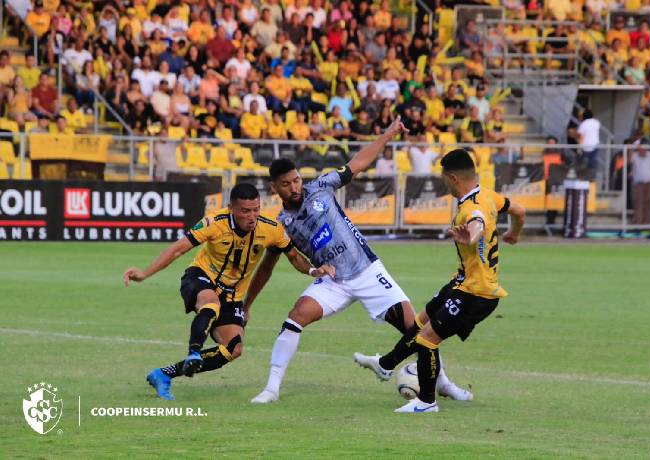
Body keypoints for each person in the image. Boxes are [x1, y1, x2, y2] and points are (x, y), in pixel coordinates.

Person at [250, 117, 471, 404]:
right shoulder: (281, 224)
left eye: (296, 180)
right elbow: (285, 261)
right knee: (295, 318)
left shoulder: (321, 187)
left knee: (416, 329)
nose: (294, 187)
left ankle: (444, 383)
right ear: (273, 188)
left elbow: (359, 161)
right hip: (332, 281)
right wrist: (311, 271)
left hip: (366, 270)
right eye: (286, 184)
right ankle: (272, 388)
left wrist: (389, 133)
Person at [123, 183, 335, 400]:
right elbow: (177, 249)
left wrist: (312, 270)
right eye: (245, 211)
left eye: (256, 209)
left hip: (232, 295)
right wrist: (144, 273)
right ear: (231, 208)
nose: (252, 216)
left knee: (233, 348)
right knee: (211, 304)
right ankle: (194, 351)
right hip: (199, 277)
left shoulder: (271, 229)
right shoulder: (214, 222)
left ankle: (163, 375)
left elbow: (293, 256)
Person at [354, 148, 526, 412]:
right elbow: (519, 209)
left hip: (477, 294)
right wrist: (513, 232)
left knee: (427, 339)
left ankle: (426, 402)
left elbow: (477, 223)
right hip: (462, 282)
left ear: (453, 177)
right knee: (420, 320)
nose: (443, 182)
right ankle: (386, 365)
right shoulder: (488, 195)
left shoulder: (472, 207)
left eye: (444, 177)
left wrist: (471, 236)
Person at [630, 141, 650, 225]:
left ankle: (646, 222)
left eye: (643, 149)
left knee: (648, 202)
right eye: (640, 149)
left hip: (649, 182)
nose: (641, 151)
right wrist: (633, 146)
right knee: (638, 202)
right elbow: (629, 159)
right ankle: (637, 221)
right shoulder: (635, 155)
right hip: (638, 183)